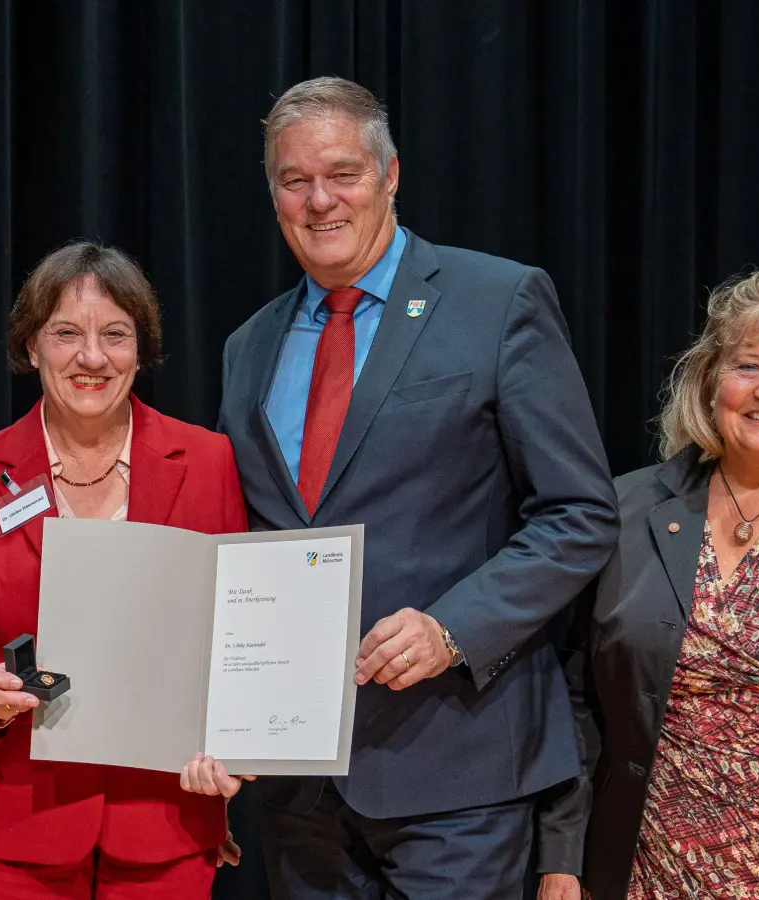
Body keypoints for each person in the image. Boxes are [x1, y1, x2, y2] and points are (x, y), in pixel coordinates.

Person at [217, 76, 619, 899]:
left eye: (343, 174)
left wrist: (452, 628)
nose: (319, 199)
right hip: (302, 790)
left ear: (390, 175)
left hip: (460, 773)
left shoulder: (497, 301)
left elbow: (580, 513)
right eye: (294, 180)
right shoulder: (247, 346)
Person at [535, 271, 759, 899]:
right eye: (748, 366)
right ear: (709, 383)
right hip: (645, 868)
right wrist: (561, 855)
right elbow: (573, 697)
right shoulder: (625, 509)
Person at [0, 242, 251, 899]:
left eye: (114, 335)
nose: (91, 358)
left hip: (168, 814)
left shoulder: (208, 462)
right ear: (32, 347)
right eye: (66, 333)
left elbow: (236, 629)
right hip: (18, 816)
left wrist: (242, 741)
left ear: (140, 349)